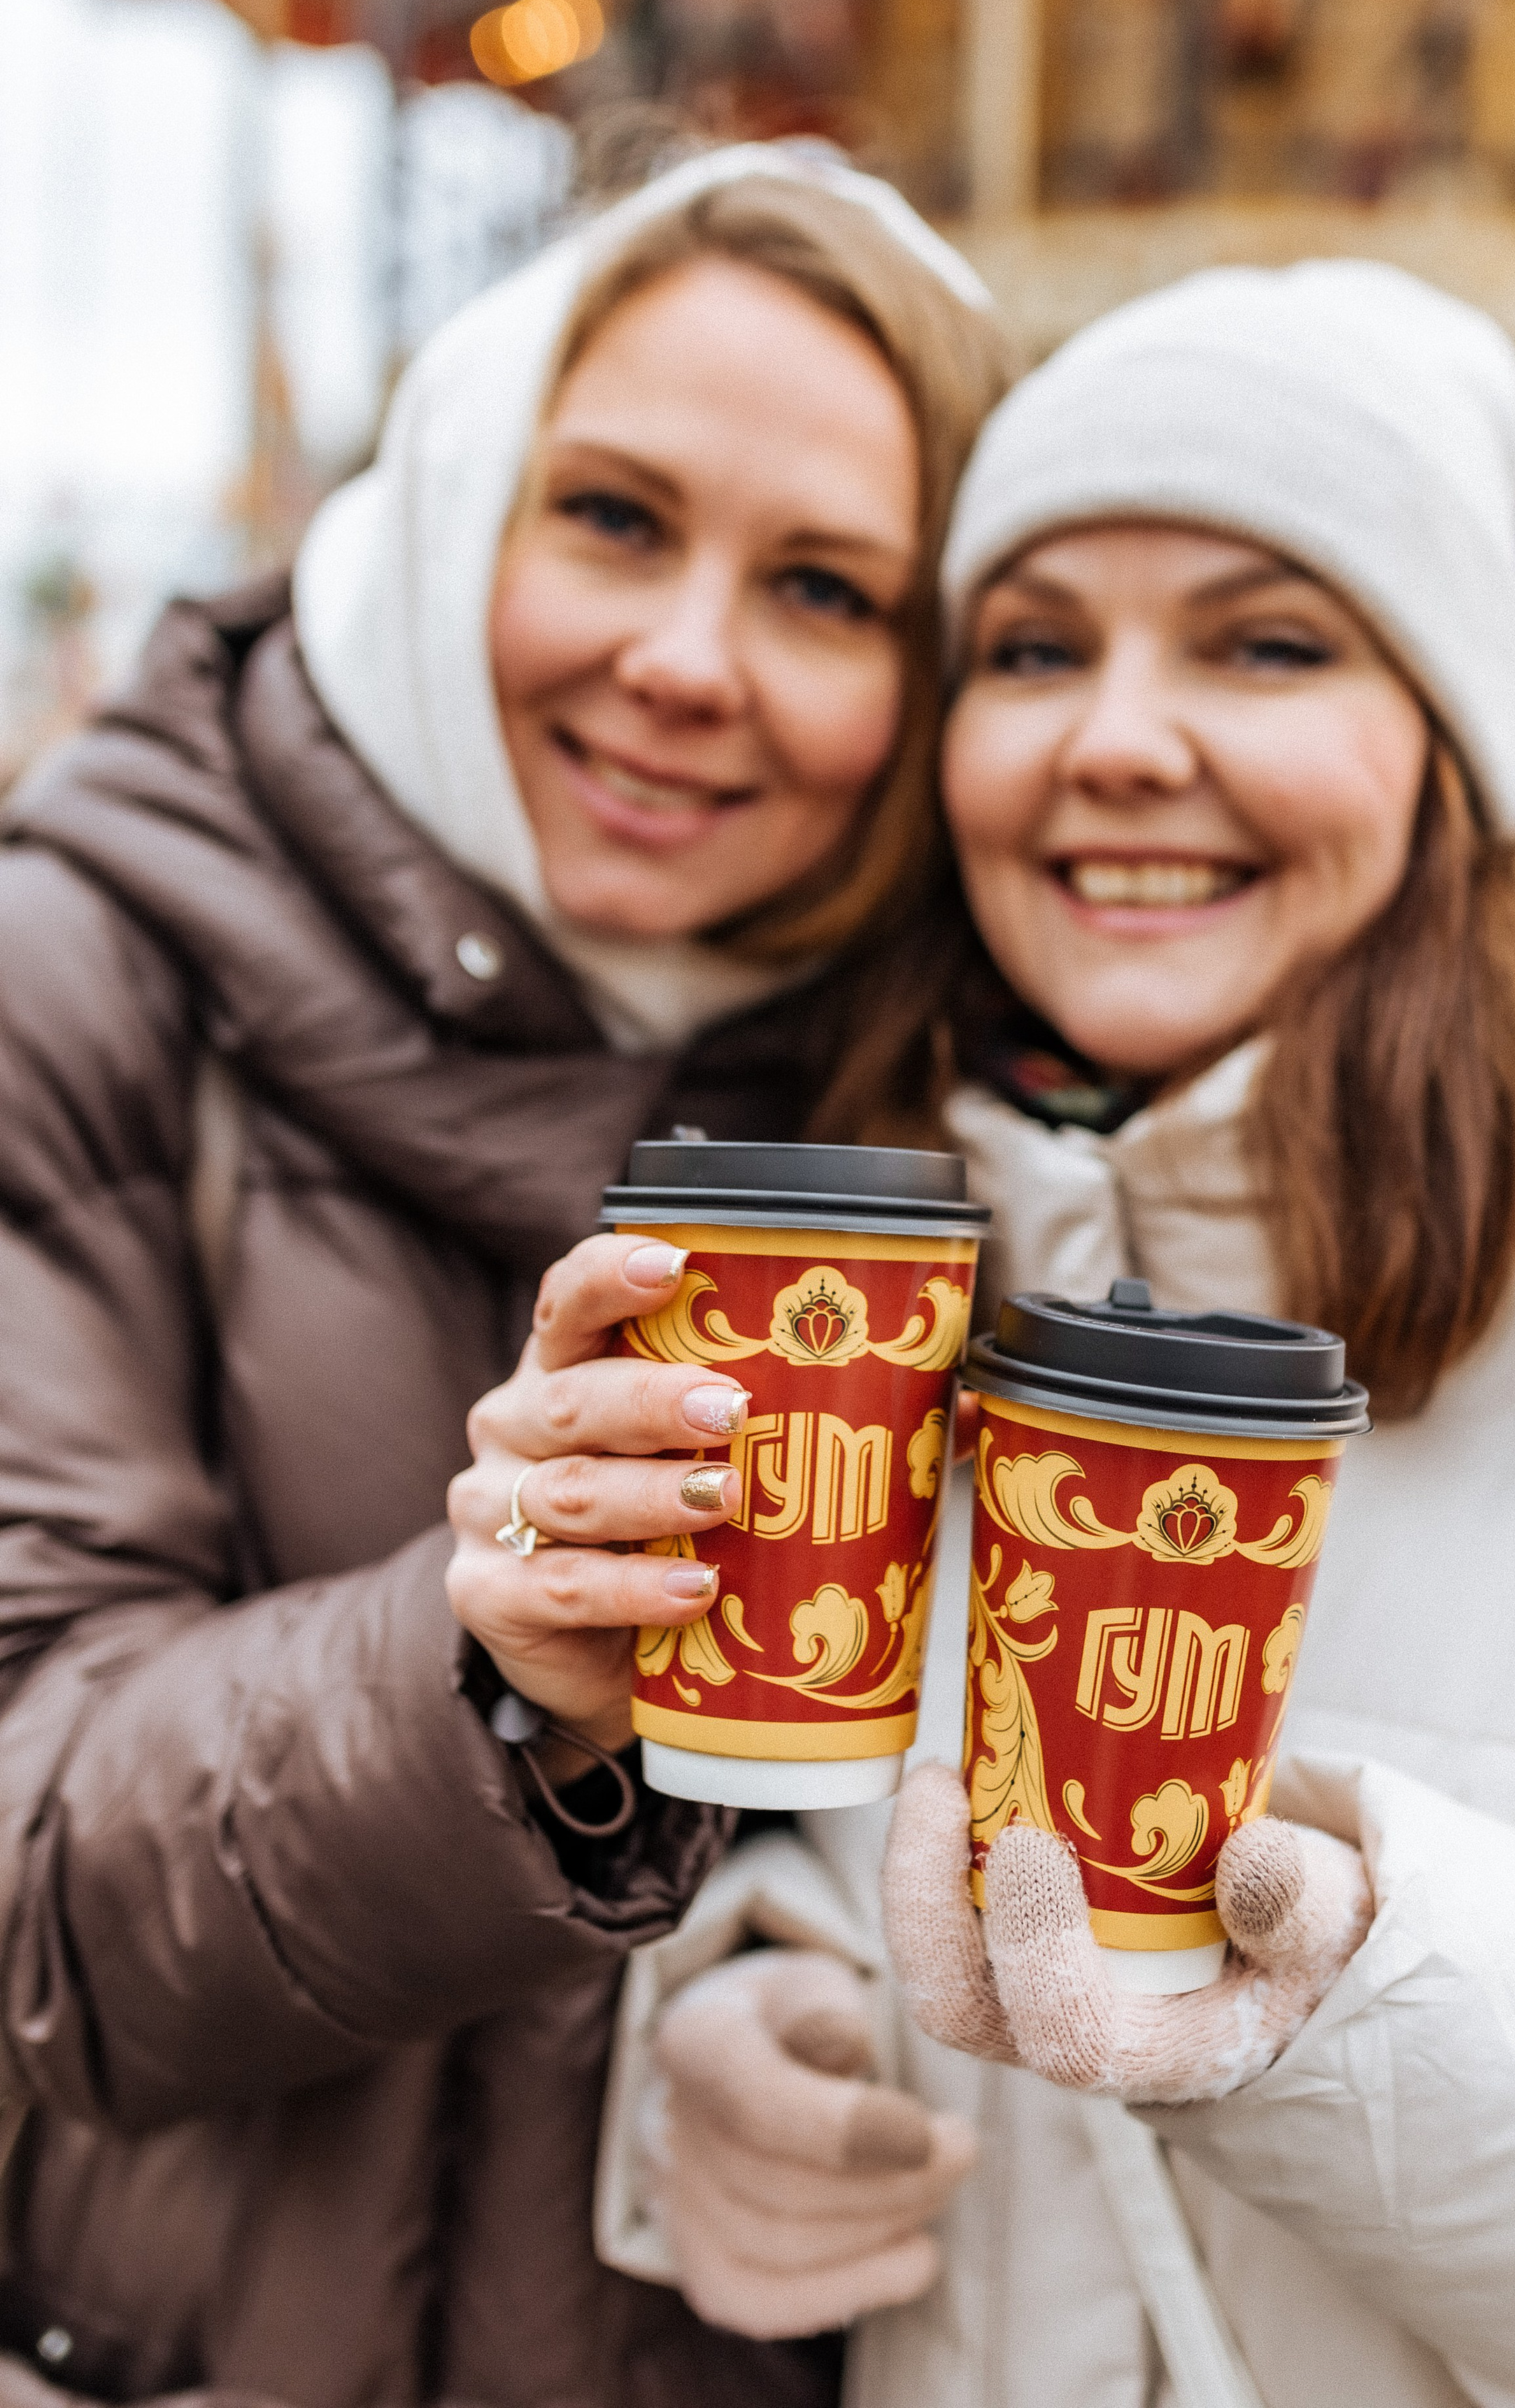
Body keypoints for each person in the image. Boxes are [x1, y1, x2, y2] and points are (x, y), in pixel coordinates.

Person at [595, 262, 1515, 2407]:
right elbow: (842, 1843)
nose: (1116, 740)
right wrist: (748, 2000)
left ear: (1451, 746)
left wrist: (1356, 2007)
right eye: (1035, 649)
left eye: (1266, 643)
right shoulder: (901, 1271)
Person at [0, 140, 1009, 2408]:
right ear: (458, 492)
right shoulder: (81, 975)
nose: (685, 664)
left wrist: (776, 1949)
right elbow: (30, 1881)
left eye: (830, 593)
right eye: (614, 519)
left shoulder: (932, 1086)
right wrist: (481, 1676)